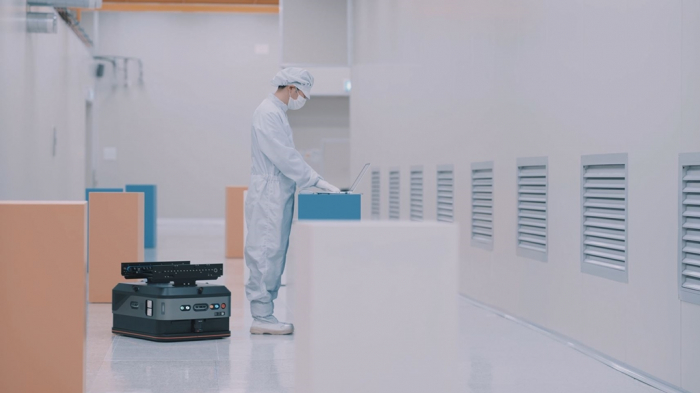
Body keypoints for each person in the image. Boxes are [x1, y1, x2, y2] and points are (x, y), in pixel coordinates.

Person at [245, 68, 340, 335]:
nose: (300, 100)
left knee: (274, 251)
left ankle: (265, 312)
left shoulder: (276, 113)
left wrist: (311, 179)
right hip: (269, 192)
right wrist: (314, 179)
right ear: (291, 89)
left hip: (278, 190)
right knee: (265, 250)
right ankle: (261, 316)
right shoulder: (268, 113)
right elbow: (284, 155)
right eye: (301, 94)